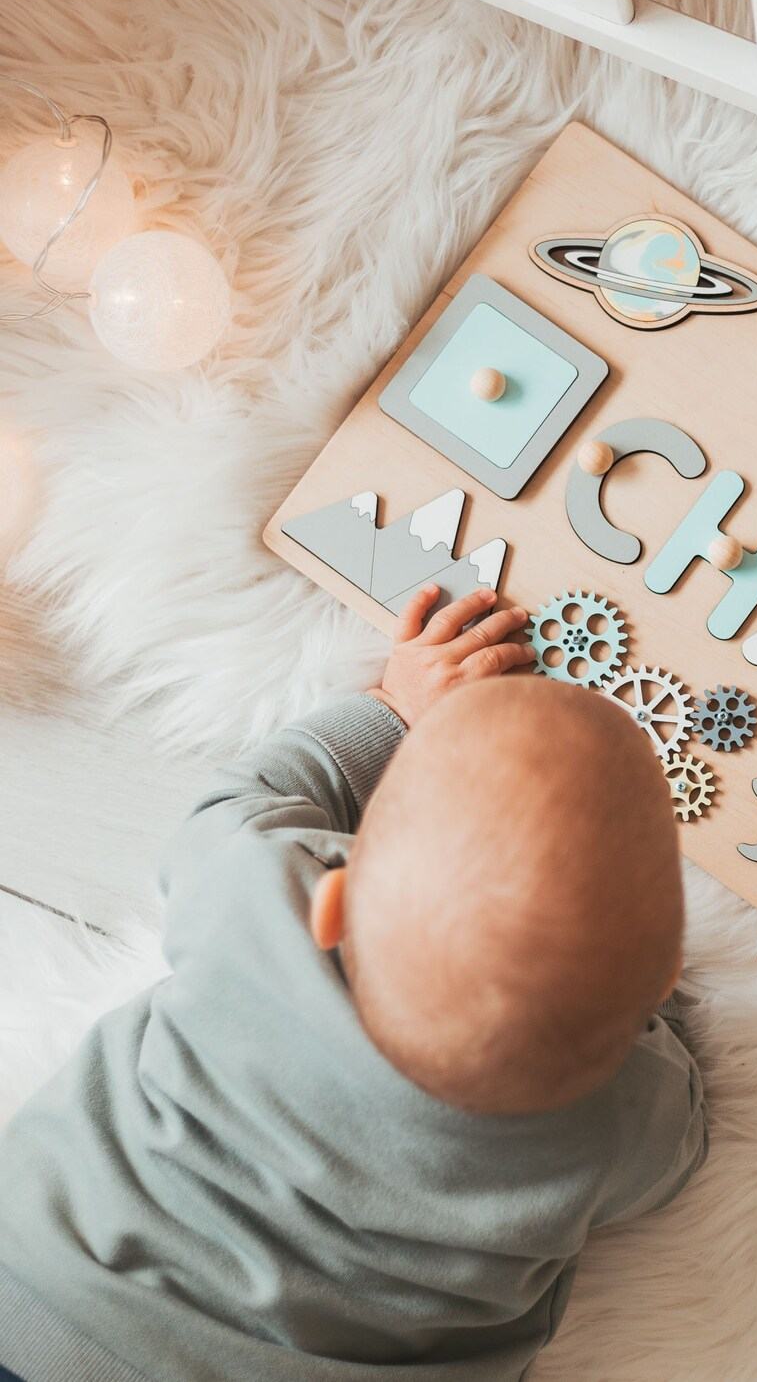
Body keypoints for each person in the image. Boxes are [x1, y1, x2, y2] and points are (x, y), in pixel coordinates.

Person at [0, 584, 706, 1382]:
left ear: (330, 895)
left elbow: (242, 802)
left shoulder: (260, 900)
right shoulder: (623, 1114)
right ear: (667, 977)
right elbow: (678, 1153)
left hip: (42, 1298)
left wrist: (393, 711)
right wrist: (630, 995)